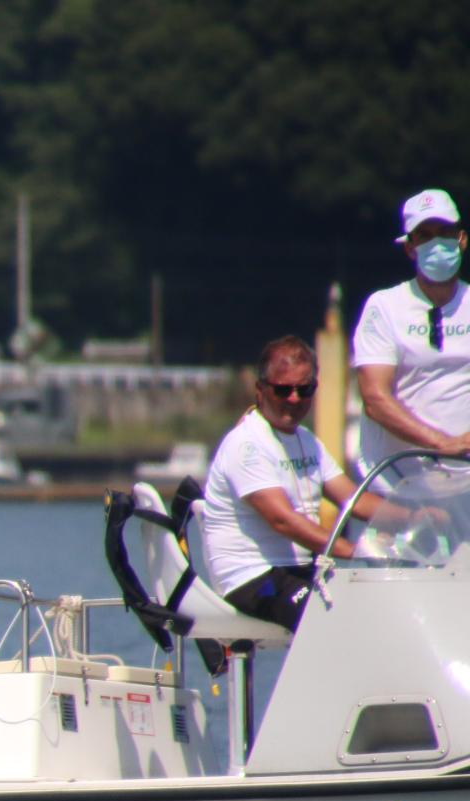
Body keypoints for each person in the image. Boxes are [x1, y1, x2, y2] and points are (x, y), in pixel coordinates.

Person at [200, 336, 443, 631]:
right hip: (250, 578)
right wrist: (351, 550)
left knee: (388, 610)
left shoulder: (306, 440)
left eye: (305, 389)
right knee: (332, 623)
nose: (294, 398)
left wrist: (414, 518)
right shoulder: (247, 445)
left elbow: (354, 499)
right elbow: (282, 520)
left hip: (300, 570)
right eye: (283, 390)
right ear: (261, 390)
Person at [350, 189, 470, 494]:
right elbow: (375, 399)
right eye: (425, 235)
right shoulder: (385, 307)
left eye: (445, 232)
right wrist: (442, 443)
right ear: (410, 248)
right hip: (399, 484)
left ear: (462, 239)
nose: (437, 243)